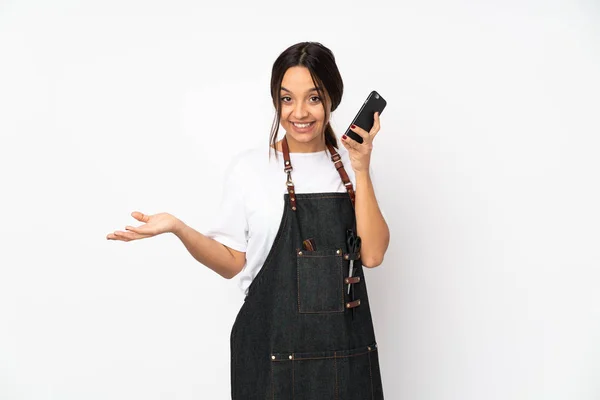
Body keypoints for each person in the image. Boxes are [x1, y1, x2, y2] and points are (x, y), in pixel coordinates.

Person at [107, 41, 389, 399]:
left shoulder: (352, 167)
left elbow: (373, 255)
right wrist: (178, 228)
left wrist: (362, 169)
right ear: (276, 102)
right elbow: (231, 264)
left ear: (332, 99)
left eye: (313, 98)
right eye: (287, 99)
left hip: (344, 360)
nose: (299, 112)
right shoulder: (250, 170)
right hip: (269, 357)